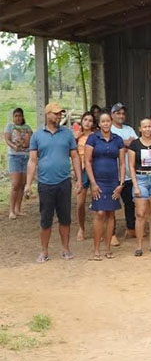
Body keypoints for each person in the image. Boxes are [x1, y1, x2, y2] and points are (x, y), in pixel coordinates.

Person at [25, 102, 82, 263]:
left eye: (60, 114)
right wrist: (28, 184)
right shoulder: (37, 136)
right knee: (46, 219)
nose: (59, 116)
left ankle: (65, 248)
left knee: (65, 218)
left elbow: (75, 156)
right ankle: (44, 251)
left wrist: (78, 178)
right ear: (47, 114)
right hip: (45, 183)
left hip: (64, 182)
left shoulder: (67, 134)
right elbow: (32, 161)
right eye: (56, 113)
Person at [85, 113, 126, 261]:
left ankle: (108, 249)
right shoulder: (93, 138)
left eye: (108, 121)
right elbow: (88, 161)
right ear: (99, 124)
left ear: (111, 122)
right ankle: (96, 250)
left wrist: (121, 183)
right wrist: (93, 183)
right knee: (100, 213)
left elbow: (122, 163)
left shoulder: (118, 140)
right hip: (98, 181)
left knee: (110, 214)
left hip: (113, 181)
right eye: (103, 121)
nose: (106, 123)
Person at [128, 118, 151, 256]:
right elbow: (131, 165)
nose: (147, 129)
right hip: (140, 179)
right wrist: (135, 185)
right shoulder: (134, 144)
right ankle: (139, 246)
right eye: (144, 127)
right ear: (140, 129)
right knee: (141, 213)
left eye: (149, 126)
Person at [110, 103, 137, 243]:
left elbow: (136, 145)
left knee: (129, 203)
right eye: (117, 113)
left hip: (128, 173)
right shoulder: (109, 130)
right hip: (113, 173)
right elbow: (114, 147)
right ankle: (112, 233)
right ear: (112, 115)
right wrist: (125, 144)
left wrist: (125, 145)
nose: (121, 116)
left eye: (122, 113)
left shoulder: (129, 129)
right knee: (112, 204)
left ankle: (131, 229)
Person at [5, 107, 32, 220]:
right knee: (15, 184)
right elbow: (7, 139)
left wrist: (26, 144)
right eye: (16, 116)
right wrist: (14, 146)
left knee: (22, 184)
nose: (18, 118)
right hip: (14, 157)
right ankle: (11, 210)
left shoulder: (27, 128)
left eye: (20, 116)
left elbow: (30, 140)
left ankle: (18, 209)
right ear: (13, 117)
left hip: (25, 157)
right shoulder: (9, 127)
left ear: (23, 117)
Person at [74, 111, 95, 240]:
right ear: (81, 121)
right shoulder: (76, 136)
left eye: (90, 120)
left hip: (93, 170)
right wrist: (76, 137)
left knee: (96, 202)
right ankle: (81, 228)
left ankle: (98, 228)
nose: (87, 122)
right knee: (80, 203)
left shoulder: (95, 136)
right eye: (85, 120)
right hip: (80, 171)